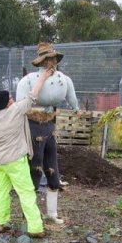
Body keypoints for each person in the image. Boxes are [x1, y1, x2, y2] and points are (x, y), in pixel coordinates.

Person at [0, 68, 54, 238]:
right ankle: (36, 229)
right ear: (7, 104)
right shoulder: (16, 110)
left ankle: (1, 222)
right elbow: (33, 95)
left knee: (1, 191)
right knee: (26, 193)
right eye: (10, 98)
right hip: (15, 161)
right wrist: (44, 76)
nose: (12, 99)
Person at [16, 42, 79, 225]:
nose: (51, 62)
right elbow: (21, 104)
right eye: (48, 59)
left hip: (50, 126)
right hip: (33, 125)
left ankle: (52, 213)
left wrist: (76, 108)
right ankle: (29, 214)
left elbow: (72, 99)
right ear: (42, 61)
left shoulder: (64, 79)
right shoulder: (28, 80)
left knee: (52, 168)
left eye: (53, 58)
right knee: (34, 169)